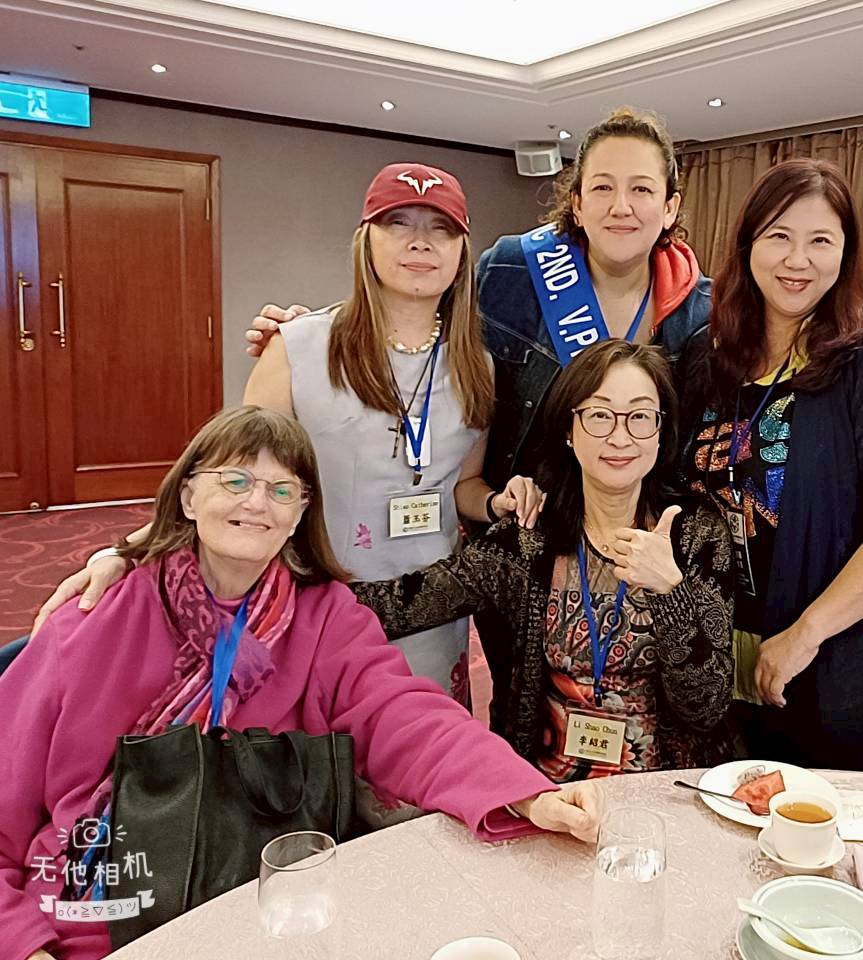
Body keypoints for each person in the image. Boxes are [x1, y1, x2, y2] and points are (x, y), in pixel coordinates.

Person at [0, 406, 601, 960]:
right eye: (235, 480)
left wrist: (524, 793)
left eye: (282, 490)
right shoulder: (95, 617)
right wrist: (25, 946)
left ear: (299, 515)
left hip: (267, 904)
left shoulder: (324, 619)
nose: (257, 502)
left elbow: (405, 718)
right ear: (188, 495)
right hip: (101, 913)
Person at [240, 107, 714, 727]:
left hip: (639, 546)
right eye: (602, 186)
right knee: (518, 709)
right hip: (523, 550)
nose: (621, 206)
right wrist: (304, 334)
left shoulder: (703, 313)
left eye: (642, 189)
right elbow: (413, 302)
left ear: (671, 206)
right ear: (575, 203)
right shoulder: (515, 271)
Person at [31, 162, 544, 699]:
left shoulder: (477, 365)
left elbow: (462, 486)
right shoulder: (299, 347)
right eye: (398, 223)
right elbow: (231, 479)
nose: (421, 242)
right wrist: (125, 552)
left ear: (462, 254)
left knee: (421, 736)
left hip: (429, 607)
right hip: (315, 595)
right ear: (365, 241)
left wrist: (498, 503)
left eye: (441, 229)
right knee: (324, 740)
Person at [352, 341, 735, 780]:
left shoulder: (696, 537)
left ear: (662, 431)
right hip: (546, 792)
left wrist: (670, 592)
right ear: (568, 430)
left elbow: (706, 709)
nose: (620, 437)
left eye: (640, 416)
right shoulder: (530, 537)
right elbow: (406, 603)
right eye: (599, 415)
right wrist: (291, 595)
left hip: (662, 791)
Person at [681, 159, 863, 773]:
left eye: (820, 240)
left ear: (845, 254)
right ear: (748, 245)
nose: (797, 260)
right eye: (779, 236)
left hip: (835, 673)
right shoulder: (706, 358)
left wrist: (806, 634)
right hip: (720, 664)